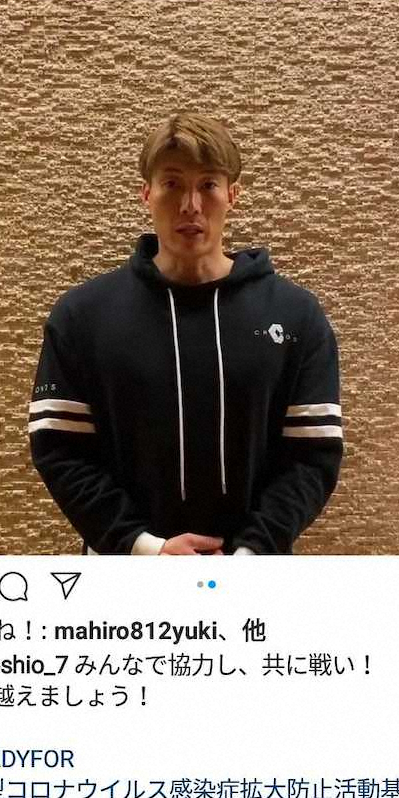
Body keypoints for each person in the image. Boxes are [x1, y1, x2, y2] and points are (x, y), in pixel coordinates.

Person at [28, 112, 343, 555]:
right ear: (146, 193)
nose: (190, 205)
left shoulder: (295, 316)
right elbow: (60, 450)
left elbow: (312, 456)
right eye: (172, 183)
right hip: (124, 576)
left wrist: (250, 553)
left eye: (208, 184)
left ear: (232, 194)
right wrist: (145, 548)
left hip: (252, 575)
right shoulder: (82, 316)